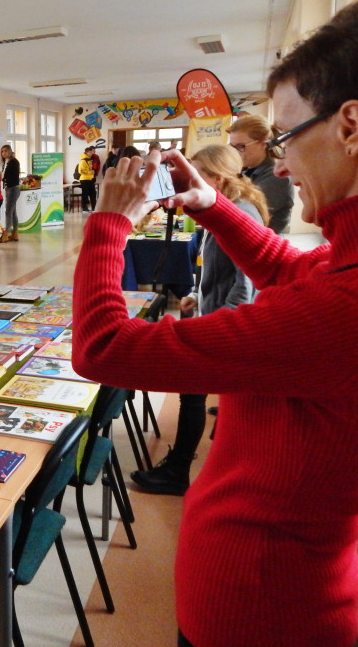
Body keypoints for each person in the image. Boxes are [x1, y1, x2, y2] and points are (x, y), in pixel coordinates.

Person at [71, 0, 358, 647]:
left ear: (351, 128)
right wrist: (210, 205)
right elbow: (291, 269)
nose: (278, 164)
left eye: (286, 136)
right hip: (287, 591)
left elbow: (102, 347)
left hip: (255, 608)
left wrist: (109, 225)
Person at [129, 144, 268, 496]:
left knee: (191, 394)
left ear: (217, 178)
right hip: (214, 311)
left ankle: (177, 471)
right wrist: (196, 295)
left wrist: (222, 323)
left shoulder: (243, 212)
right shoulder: (224, 207)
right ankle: (178, 466)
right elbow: (214, 267)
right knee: (193, 393)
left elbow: (245, 281)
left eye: (197, 173)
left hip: (226, 322)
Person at [227, 113, 295, 234]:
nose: (236, 153)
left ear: (264, 143)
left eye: (241, 146)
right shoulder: (247, 171)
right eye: (233, 147)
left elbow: (241, 214)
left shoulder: (277, 177)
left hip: (265, 248)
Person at [0, 145, 21, 242]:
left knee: (8, 211)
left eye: (6, 151)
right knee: (13, 211)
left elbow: (10, 176)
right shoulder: (6, 162)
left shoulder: (14, 162)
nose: (4, 153)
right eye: (2, 151)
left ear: (10, 151)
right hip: (8, 188)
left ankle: (6, 233)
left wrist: (2, 176)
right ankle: (15, 233)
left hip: (13, 189)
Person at [77, 145, 97, 212]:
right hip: (84, 179)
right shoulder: (83, 161)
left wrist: (92, 172)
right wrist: (89, 172)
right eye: (90, 152)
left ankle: (94, 208)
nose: (92, 154)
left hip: (90, 179)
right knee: (85, 194)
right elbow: (80, 171)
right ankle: (84, 208)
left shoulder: (89, 160)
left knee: (93, 193)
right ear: (87, 153)